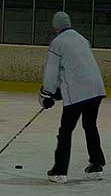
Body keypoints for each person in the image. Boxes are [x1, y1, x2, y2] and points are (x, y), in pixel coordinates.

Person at [39, 11, 107, 184]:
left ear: (56, 27)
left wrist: (47, 93)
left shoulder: (58, 43)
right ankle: (96, 166)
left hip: (77, 92)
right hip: (96, 88)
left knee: (66, 130)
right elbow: (76, 67)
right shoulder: (81, 39)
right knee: (90, 125)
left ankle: (59, 171)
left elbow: (52, 71)